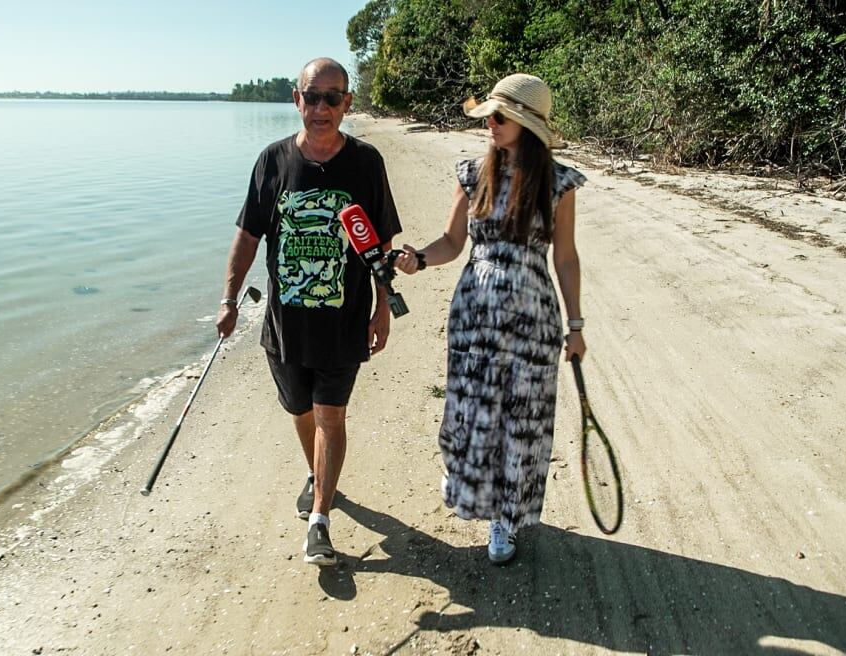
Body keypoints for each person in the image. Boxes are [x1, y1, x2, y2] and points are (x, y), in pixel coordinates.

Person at [393, 73, 586, 564]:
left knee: (521, 420)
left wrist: (576, 327)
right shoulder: (471, 174)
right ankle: (465, 478)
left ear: (527, 124)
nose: (491, 125)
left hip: (533, 317)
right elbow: (452, 242)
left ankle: (505, 518)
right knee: (470, 409)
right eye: (489, 117)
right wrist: (418, 258)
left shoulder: (559, 184)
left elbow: (565, 257)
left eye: (500, 118)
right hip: (475, 313)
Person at [216, 57, 401, 567]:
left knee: (330, 415)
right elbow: (248, 237)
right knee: (299, 410)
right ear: (296, 100)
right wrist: (230, 299)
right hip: (285, 324)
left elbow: (382, 240)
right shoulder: (272, 162)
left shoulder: (366, 162)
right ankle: (319, 476)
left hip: (343, 322)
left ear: (347, 102)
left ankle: (320, 520)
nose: (322, 108)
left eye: (333, 97)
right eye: (312, 96)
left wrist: (382, 309)